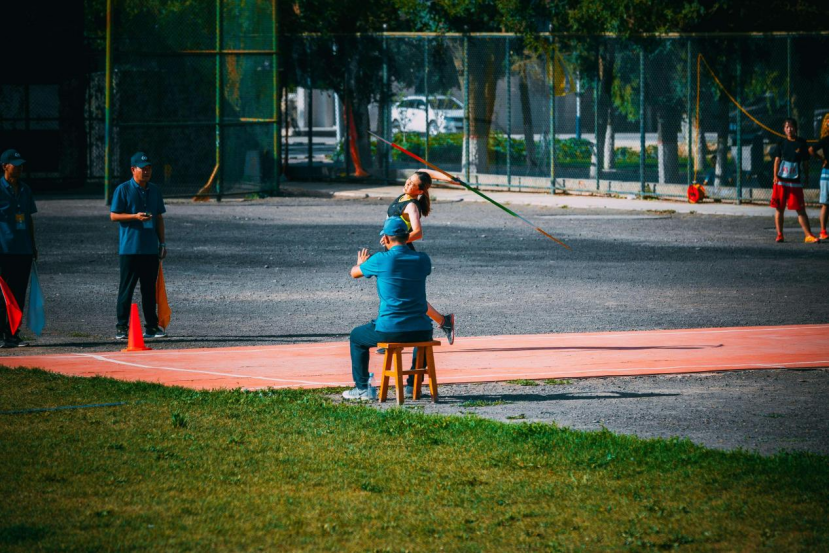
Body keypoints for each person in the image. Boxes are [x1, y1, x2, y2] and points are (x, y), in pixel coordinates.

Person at [344, 217, 433, 401]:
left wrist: (361, 263)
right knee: (423, 337)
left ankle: (362, 388)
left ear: (385, 238)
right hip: (421, 328)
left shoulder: (380, 259)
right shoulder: (423, 259)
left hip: (391, 329)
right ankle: (413, 385)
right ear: (407, 236)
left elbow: (354, 273)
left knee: (356, 337)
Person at [386, 170, 455, 344]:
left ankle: (396, 335)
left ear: (419, 191)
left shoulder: (411, 205)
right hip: (392, 252)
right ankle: (442, 321)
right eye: (408, 180)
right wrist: (449, 178)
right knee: (398, 294)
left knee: (401, 295)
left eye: (412, 184)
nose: (408, 184)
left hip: (402, 252)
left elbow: (417, 232)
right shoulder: (403, 197)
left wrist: (395, 240)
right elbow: (426, 172)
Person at [111, 152, 168, 340]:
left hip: (150, 248)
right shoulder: (123, 189)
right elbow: (114, 215)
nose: (146, 171)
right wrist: (134, 216)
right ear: (133, 169)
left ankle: (151, 327)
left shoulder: (155, 190)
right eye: (143, 168)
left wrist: (162, 242)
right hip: (130, 248)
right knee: (126, 289)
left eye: (149, 168)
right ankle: (121, 327)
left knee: (149, 289)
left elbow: (159, 217)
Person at [0, 149, 37, 348]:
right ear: (4, 166)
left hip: (22, 249)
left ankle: (13, 333)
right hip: (3, 249)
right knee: (2, 294)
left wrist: (33, 245)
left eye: (21, 165)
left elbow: (29, 218)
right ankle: (1, 334)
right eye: (15, 164)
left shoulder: (25, 190)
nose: (19, 168)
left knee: (18, 294)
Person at [770, 118, 817, 243]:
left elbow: (805, 162)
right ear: (784, 129)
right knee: (779, 208)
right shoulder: (781, 142)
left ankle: (808, 235)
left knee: (800, 209)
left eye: (791, 127)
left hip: (795, 182)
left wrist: (806, 177)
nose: (789, 129)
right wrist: (775, 176)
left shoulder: (801, 143)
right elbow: (777, 160)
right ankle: (779, 234)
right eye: (787, 127)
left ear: (795, 128)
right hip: (781, 181)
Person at [808, 113, 829, 241]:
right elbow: (811, 150)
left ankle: (823, 231)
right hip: (827, 173)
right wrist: (821, 159)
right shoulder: (825, 139)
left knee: (826, 203)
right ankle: (823, 231)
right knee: (825, 203)